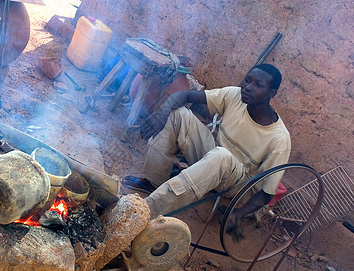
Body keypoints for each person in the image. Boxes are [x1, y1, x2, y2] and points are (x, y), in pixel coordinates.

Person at [122, 63, 291, 234]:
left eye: (258, 85)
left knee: (222, 156)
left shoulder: (279, 139)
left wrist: (240, 214)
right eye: (247, 80)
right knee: (178, 114)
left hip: (237, 184)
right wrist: (162, 112)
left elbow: (268, 192)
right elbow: (185, 95)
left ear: (272, 93)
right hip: (214, 156)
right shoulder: (235, 95)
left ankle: (146, 210)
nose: (248, 87)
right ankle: (154, 182)